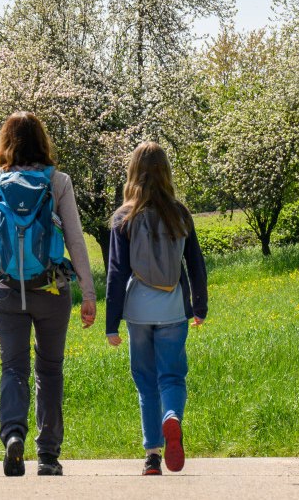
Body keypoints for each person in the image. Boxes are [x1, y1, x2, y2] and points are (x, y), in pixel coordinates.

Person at [0, 111, 97, 477]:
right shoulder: (58, 181)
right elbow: (75, 239)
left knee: (13, 367)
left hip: (8, 290)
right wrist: (89, 292)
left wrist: (0, 275)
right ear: (43, 141)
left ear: (5, 142)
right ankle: (48, 454)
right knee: (49, 369)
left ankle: (13, 434)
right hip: (51, 289)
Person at [105, 141, 208, 476]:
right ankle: (172, 417)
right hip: (173, 308)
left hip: (137, 309)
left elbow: (117, 272)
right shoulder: (180, 214)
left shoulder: (124, 217)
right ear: (167, 173)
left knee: (145, 381)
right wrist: (199, 306)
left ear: (133, 173)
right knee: (172, 376)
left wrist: (111, 323)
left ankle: (152, 455)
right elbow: (195, 264)